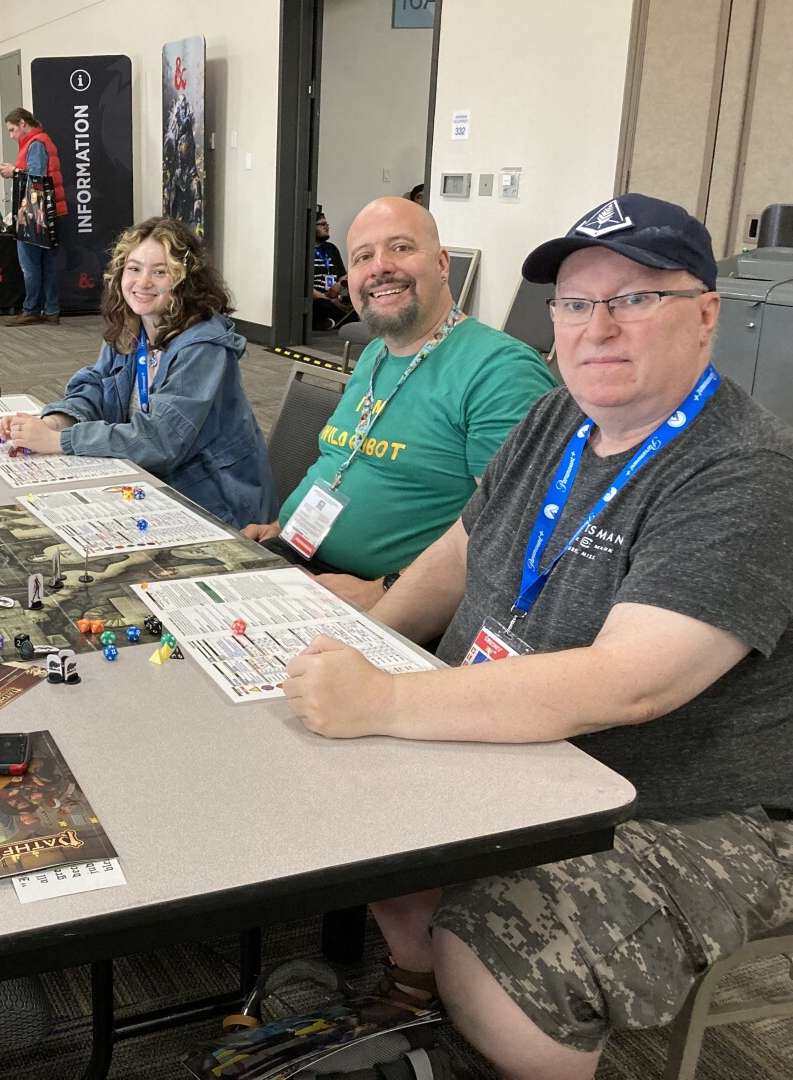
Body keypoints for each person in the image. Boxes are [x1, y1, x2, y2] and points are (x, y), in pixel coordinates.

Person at [282, 193, 793, 1080]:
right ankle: (416, 988)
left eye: (635, 299)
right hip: (545, 747)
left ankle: (461, 996)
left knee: (494, 960)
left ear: (706, 314)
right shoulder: (560, 416)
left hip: (687, 800)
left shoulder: (740, 473)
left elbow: (632, 683)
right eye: (575, 303)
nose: (597, 328)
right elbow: (465, 544)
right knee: (347, 804)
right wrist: (369, 632)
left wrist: (390, 697)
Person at [241, 197, 557, 609]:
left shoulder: (499, 371)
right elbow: (346, 463)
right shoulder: (377, 353)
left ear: (443, 265)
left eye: (401, 248)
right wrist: (282, 527)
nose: (379, 267)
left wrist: (381, 589)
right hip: (297, 556)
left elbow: (510, 538)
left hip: (385, 600)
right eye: (363, 256)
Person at [0, 217, 274, 529]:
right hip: (152, 482)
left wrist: (60, 441)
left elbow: (160, 441)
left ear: (185, 280)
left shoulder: (203, 344)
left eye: (160, 272)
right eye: (134, 268)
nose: (143, 282)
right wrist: (54, 422)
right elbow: (96, 387)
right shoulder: (133, 327)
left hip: (214, 503)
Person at [0, 108, 66, 326]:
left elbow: (37, 178)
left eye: (12, 130)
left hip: (34, 215)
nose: (11, 135)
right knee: (45, 264)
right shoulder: (41, 141)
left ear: (22, 123)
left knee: (30, 265)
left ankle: (31, 309)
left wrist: (14, 171)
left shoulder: (35, 144)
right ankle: (51, 309)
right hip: (44, 213)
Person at [310, 211, 351, 330]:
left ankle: (330, 322)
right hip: (319, 298)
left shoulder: (331, 248)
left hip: (335, 297)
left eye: (327, 224)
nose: (326, 227)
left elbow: (343, 277)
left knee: (354, 305)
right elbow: (304, 287)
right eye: (321, 224)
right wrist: (329, 299)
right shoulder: (304, 248)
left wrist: (343, 298)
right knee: (321, 306)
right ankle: (337, 321)